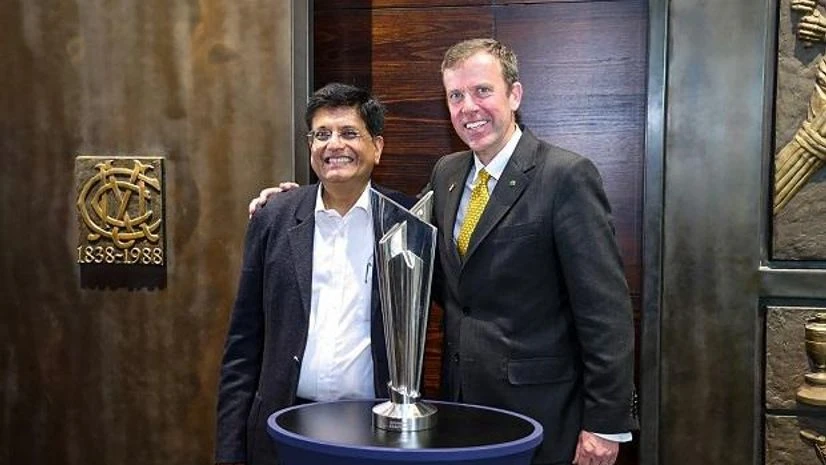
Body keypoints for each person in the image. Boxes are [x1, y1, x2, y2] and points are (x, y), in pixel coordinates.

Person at [250, 38, 637, 465]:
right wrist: (289, 203)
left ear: (515, 94)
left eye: (482, 91)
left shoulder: (566, 176)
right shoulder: (447, 174)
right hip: (459, 409)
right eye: (456, 95)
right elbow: (404, 243)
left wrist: (605, 422)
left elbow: (605, 311)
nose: (468, 107)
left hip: (542, 413)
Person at [215, 82, 412, 465]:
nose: (334, 144)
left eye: (349, 133)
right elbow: (243, 345)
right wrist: (228, 451)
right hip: (283, 428)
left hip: (375, 434)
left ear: (378, 147)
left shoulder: (405, 222)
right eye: (322, 134)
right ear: (310, 147)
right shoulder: (273, 217)